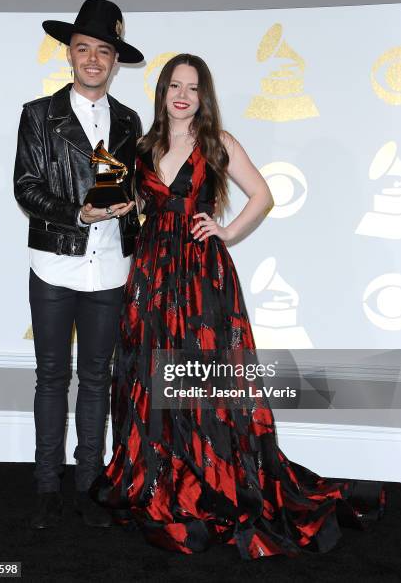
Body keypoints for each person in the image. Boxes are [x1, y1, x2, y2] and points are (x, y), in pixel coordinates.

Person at [91, 54, 385, 559]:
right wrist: (123, 206)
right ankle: (162, 477)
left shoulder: (217, 143)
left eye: (194, 87)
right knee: (149, 373)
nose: (183, 94)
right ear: (161, 91)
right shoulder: (142, 147)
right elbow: (141, 206)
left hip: (204, 278)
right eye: (175, 85)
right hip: (153, 274)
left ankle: (207, 479)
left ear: (204, 97)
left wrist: (225, 230)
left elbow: (263, 195)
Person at [13, 0, 143, 529]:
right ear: (70, 54)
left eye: (103, 51)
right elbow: (26, 188)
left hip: (110, 268)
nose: (93, 59)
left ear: (114, 61)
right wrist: (79, 214)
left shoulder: (131, 121)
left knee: (96, 378)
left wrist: (137, 205)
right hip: (54, 265)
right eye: (84, 48)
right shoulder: (40, 115)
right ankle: (48, 483)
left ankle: (90, 482)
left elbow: (134, 185)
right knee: (51, 376)